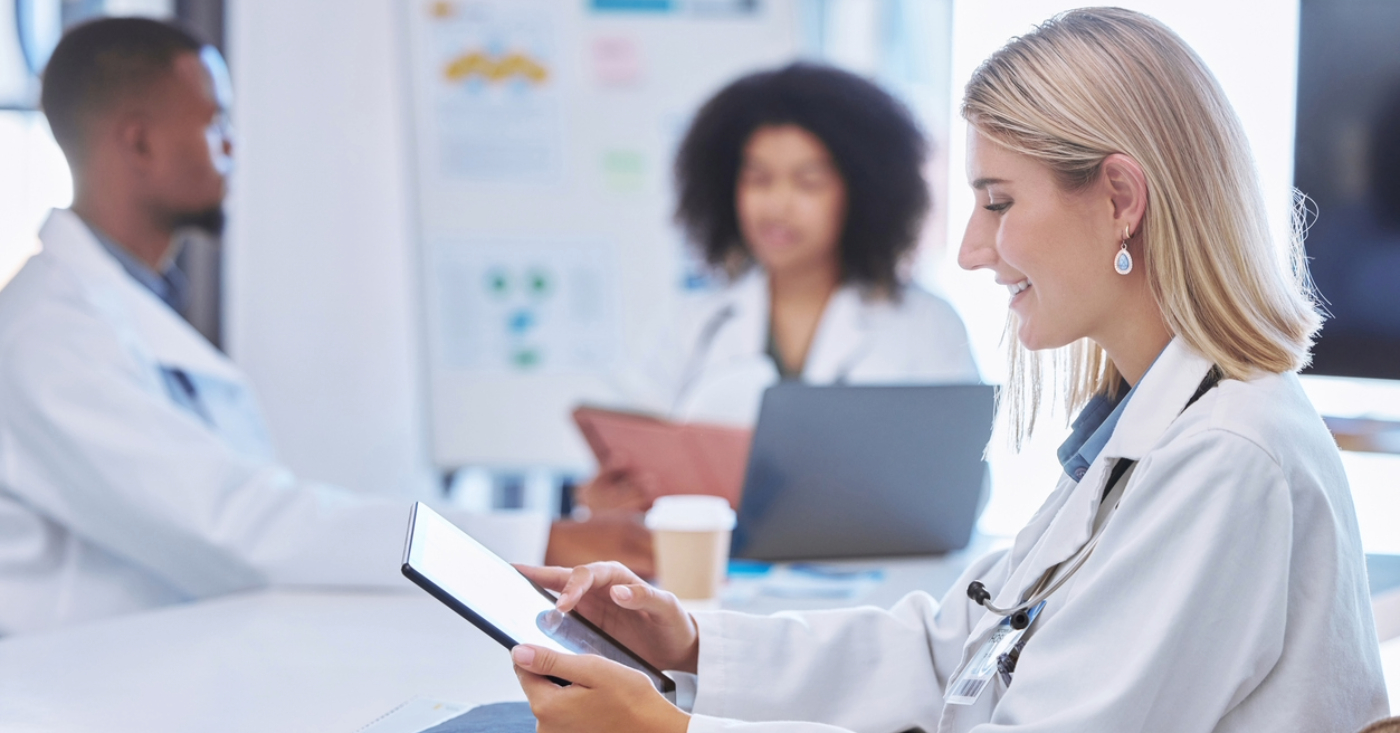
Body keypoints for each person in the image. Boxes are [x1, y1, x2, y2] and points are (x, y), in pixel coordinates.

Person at [506, 9, 1389, 732]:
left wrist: (672, 731)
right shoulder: (1152, 427)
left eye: (999, 202)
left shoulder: (1226, 458)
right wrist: (691, 638)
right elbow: (958, 651)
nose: (972, 251)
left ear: (1121, 201)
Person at [0, 17, 547, 636]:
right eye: (215, 122)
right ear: (140, 144)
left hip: (147, 670)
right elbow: (238, 529)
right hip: (67, 698)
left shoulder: (120, 306)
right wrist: (536, 539)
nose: (233, 146)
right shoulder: (45, 338)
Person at [572, 63, 979, 518]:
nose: (777, 205)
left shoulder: (926, 325)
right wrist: (611, 501)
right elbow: (629, 448)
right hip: (714, 576)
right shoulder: (693, 321)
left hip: (876, 578)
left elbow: (963, 489)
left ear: (862, 192)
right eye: (758, 179)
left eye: (808, 182)